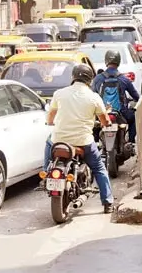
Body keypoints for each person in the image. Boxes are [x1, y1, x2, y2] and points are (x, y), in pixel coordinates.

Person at [46, 64, 114, 213]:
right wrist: (106, 123)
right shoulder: (94, 97)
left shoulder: (59, 94)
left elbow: (50, 117)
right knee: (99, 168)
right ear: (90, 80)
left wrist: (51, 122)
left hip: (60, 141)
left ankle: (46, 172)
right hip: (84, 143)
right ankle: (108, 202)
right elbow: (105, 121)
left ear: (73, 77)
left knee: (49, 141)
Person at [92, 50, 140, 144]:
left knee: (95, 123)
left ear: (106, 61)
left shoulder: (98, 79)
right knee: (133, 118)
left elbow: (92, 95)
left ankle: (96, 143)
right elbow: (136, 96)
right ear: (118, 61)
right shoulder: (124, 79)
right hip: (121, 114)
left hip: (103, 113)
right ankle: (131, 143)